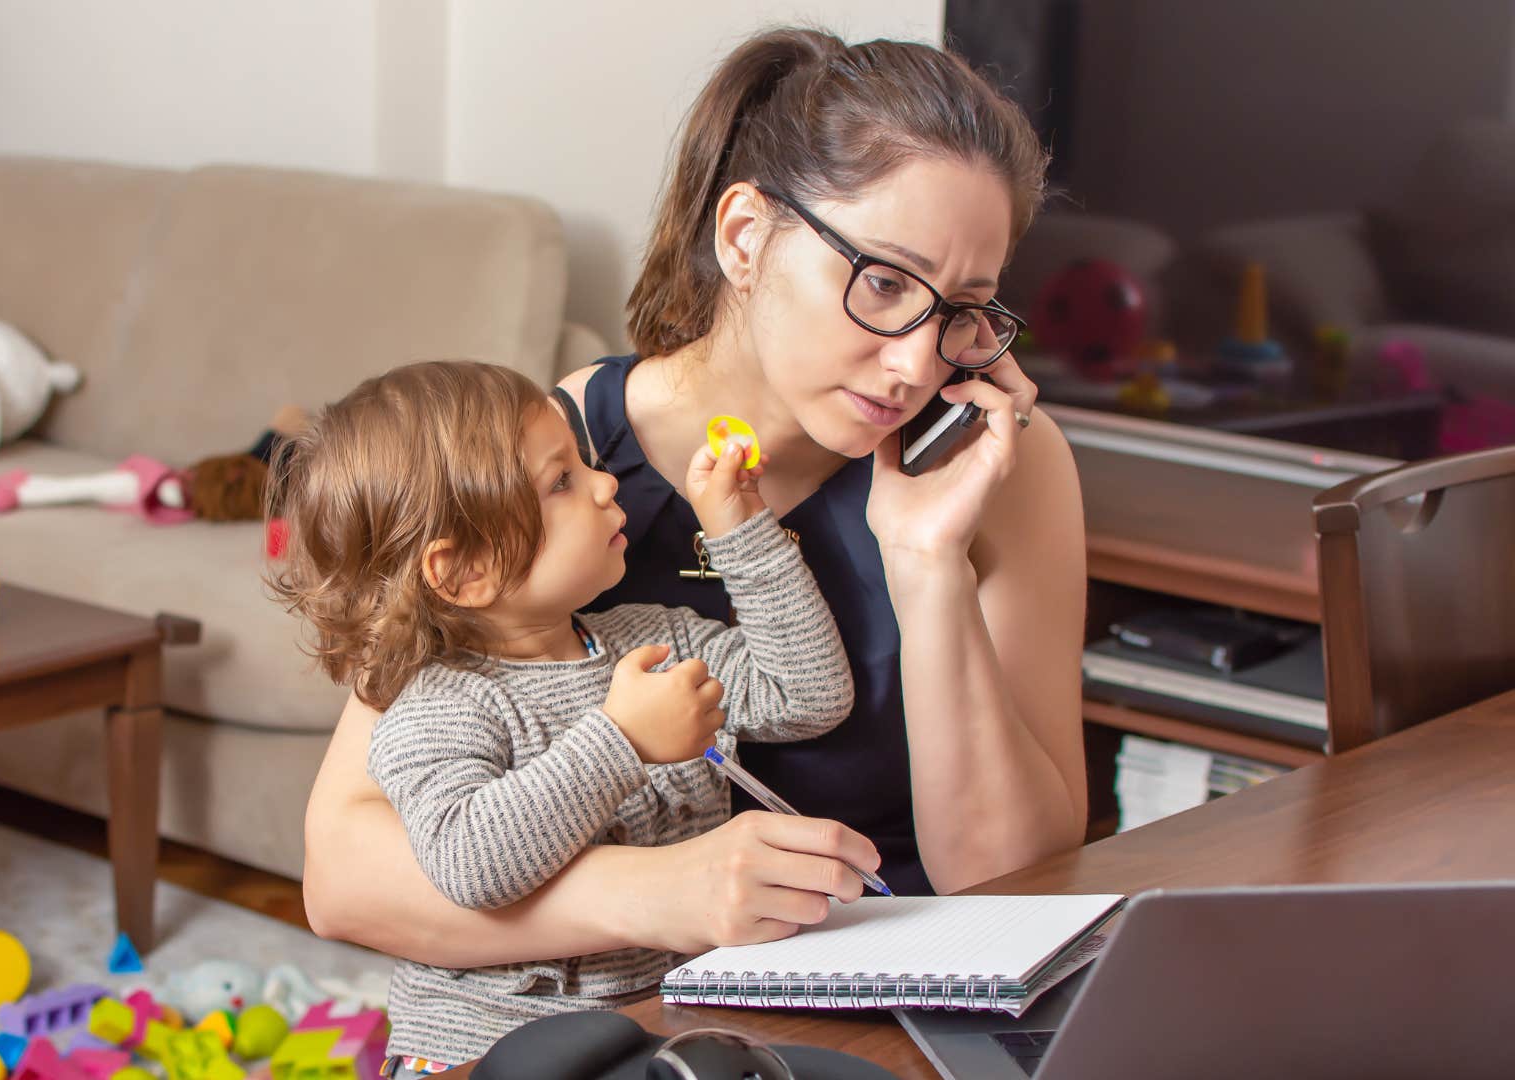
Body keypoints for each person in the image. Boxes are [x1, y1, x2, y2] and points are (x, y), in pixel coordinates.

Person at [301, 23, 1087, 1004]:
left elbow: (1011, 888)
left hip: (906, 989)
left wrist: (926, 560)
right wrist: (654, 894)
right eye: (885, 283)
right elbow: (342, 873)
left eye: (963, 307)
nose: (917, 363)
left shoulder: (1008, 469)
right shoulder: (571, 450)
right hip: (646, 1005)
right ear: (746, 235)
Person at [268, 359, 853, 1069]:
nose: (608, 484)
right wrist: (621, 740)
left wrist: (739, 527)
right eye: (564, 481)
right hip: (486, 1055)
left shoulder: (651, 638)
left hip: (659, 1032)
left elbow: (809, 694)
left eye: (584, 462)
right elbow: (470, 865)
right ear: (462, 571)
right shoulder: (437, 703)